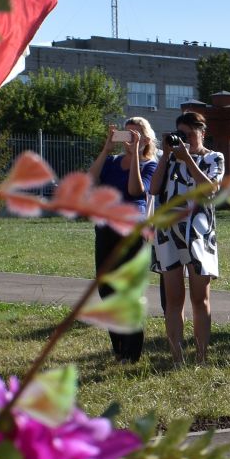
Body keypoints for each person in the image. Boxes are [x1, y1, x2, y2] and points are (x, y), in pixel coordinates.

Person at [151, 110, 225, 363]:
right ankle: (176, 357)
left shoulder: (214, 157)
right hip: (167, 232)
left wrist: (189, 159)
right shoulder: (169, 159)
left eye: (190, 135)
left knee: (199, 298)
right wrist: (168, 155)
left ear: (202, 133)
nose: (185, 140)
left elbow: (210, 189)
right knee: (173, 299)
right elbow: (153, 188)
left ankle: (202, 356)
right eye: (180, 134)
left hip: (198, 233)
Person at [89, 117, 158, 362]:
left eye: (136, 134)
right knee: (107, 290)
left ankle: (131, 353)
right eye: (127, 133)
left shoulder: (150, 165)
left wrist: (137, 158)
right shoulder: (111, 162)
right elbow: (91, 179)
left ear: (146, 139)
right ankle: (119, 348)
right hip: (106, 228)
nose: (130, 138)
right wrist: (106, 149)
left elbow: (135, 191)